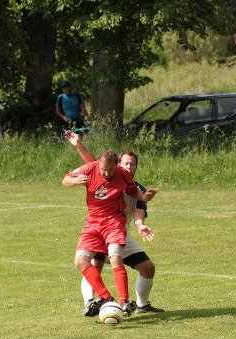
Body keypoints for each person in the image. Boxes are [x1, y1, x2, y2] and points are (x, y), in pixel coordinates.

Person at [65, 131, 165, 316]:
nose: (128, 166)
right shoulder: (106, 170)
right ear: (119, 163)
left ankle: (140, 305)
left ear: (136, 166)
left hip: (118, 232)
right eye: (125, 163)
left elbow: (139, 208)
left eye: (132, 163)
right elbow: (93, 165)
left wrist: (139, 224)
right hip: (98, 228)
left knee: (147, 268)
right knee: (92, 264)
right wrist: (79, 145)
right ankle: (92, 302)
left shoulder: (132, 185)